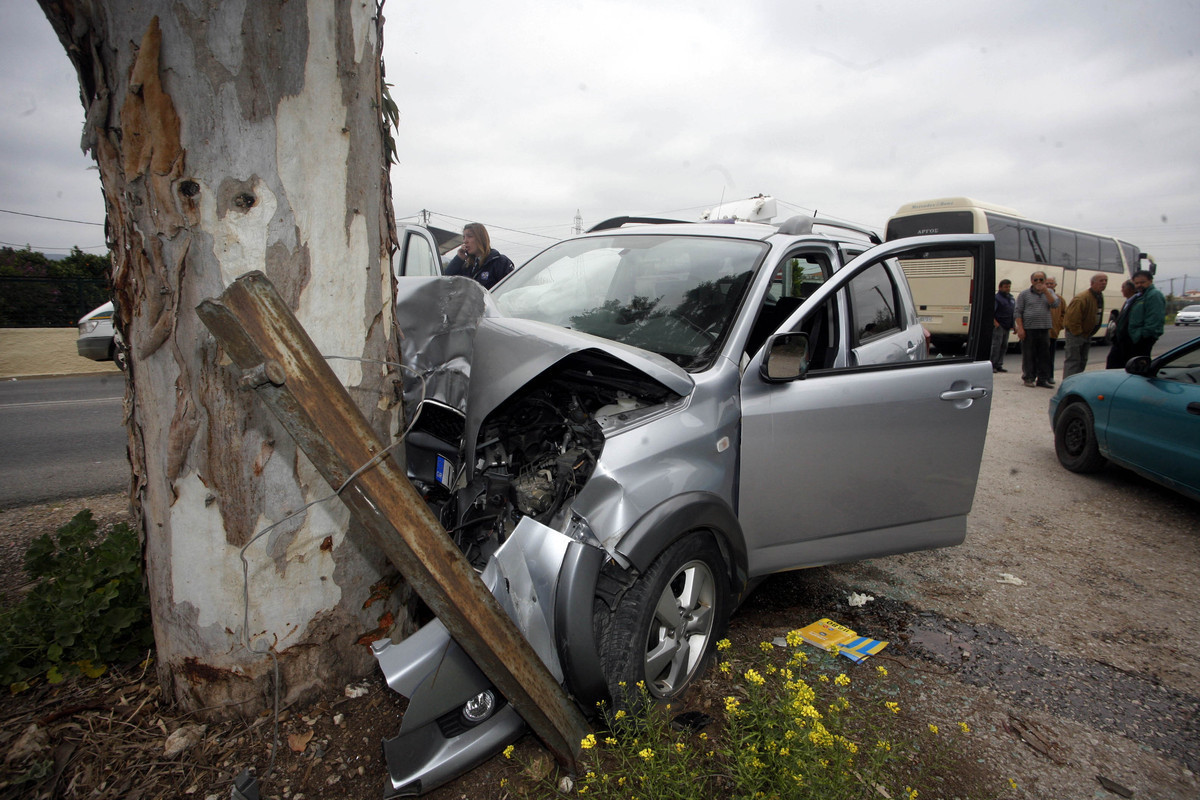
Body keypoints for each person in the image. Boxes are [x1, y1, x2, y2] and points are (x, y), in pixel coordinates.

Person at [1014, 270, 1059, 388]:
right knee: (1029, 355)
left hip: (1044, 329)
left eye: (1041, 280)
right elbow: (1018, 312)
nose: (1038, 282)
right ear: (1031, 281)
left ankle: (1042, 379)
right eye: (1036, 280)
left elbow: (1055, 304)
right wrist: (1020, 329)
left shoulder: (1049, 292)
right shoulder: (1024, 294)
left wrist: (1045, 291)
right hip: (1029, 329)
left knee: (1044, 356)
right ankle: (1029, 377)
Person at [1062, 273, 1108, 379]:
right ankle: (1068, 384)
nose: (1104, 283)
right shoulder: (1081, 298)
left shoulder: (1098, 296)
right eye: (1101, 281)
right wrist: (1079, 333)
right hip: (1076, 335)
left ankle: (1076, 382)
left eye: (1106, 280)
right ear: (1092, 283)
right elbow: (1072, 320)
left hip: (1087, 334)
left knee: (1082, 361)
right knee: (1073, 361)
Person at [444, 223, 514, 289]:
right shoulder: (467, 266)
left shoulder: (500, 262)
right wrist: (458, 259)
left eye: (470, 236)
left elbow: (510, 288)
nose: (465, 241)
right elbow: (445, 280)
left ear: (481, 239)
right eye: (464, 237)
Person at [1119, 270, 1166, 360]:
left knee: (1139, 366)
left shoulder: (1154, 295)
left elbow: (1155, 318)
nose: (1139, 285)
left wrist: (1142, 336)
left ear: (1150, 281)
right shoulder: (1140, 296)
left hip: (1142, 340)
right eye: (1136, 283)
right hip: (1134, 339)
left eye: (1142, 282)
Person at [1105, 280, 1138, 367]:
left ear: (1130, 289)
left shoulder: (1135, 302)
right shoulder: (1128, 301)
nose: (1121, 290)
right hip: (1119, 340)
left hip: (1126, 341)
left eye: (1123, 288)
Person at [990, 279, 1016, 373]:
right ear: (1000, 287)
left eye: (1009, 287)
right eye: (1006, 287)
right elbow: (991, 311)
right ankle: (992, 365)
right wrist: (995, 323)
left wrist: (1014, 325)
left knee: (1004, 346)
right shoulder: (997, 298)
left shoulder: (1011, 298)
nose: (1008, 289)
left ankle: (999, 364)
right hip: (999, 325)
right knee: (996, 345)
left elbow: (1012, 312)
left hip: (1007, 325)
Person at [1045, 276, 1066, 376]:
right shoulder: (1039, 297)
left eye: (1051, 284)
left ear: (1055, 285)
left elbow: (1064, 314)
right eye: (1047, 283)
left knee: (1050, 356)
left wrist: (1059, 325)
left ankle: (1049, 376)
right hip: (1040, 331)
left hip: (1053, 332)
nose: (1049, 285)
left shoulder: (1060, 299)